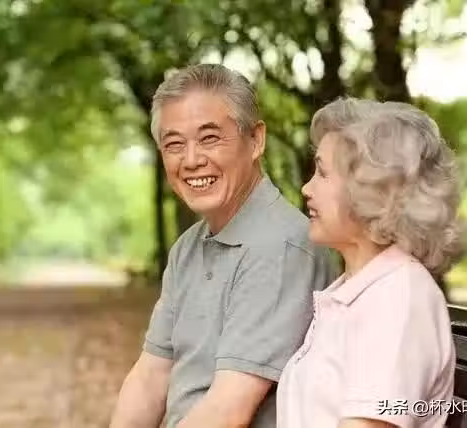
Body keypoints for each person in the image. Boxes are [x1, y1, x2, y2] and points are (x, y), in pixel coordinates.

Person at [109, 63, 337, 428]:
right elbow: (150, 376)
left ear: (256, 140)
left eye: (210, 138)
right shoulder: (188, 247)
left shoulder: (281, 247)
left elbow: (228, 412)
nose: (191, 160)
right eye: (174, 144)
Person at [277, 97, 467, 428]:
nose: (307, 188)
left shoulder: (400, 298)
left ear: (374, 190)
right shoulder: (361, 290)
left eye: (322, 173)